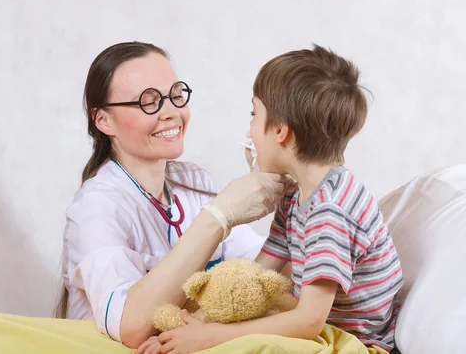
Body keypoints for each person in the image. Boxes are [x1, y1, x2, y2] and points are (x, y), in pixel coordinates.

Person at [157, 45, 403, 354]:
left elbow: (310, 321)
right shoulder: (296, 193)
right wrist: (201, 321)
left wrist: (211, 337)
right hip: (317, 324)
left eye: (254, 114)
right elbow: (260, 277)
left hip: (353, 342)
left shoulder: (330, 211)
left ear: (280, 131)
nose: (249, 129)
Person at [55, 42, 287, 351]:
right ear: (103, 120)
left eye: (176, 95)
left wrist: (296, 205)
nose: (171, 112)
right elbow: (132, 326)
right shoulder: (96, 208)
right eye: (149, 101)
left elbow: (259, 277)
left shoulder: (193, 182)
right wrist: (216, 218)